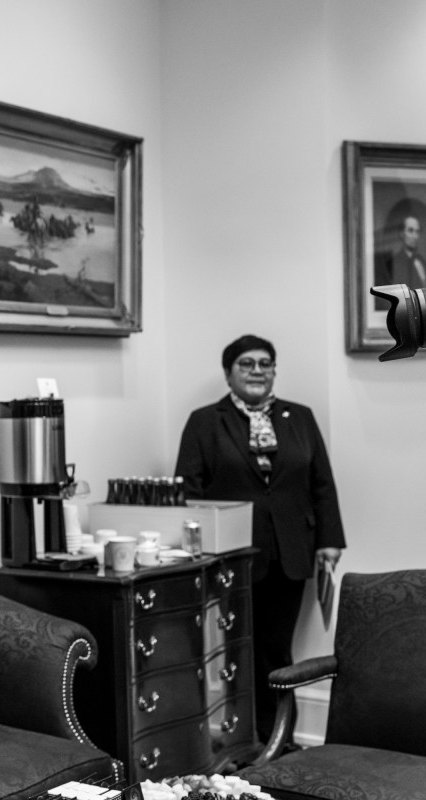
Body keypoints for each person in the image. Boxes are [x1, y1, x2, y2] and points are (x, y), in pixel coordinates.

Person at [174, 334, 345, 740]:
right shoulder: (205, 422)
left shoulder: (299, 417)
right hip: (232, 557)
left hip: (291, 553)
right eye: (246, 363)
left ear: (273, 371)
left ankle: (278, 740)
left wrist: (330, 539)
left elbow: (321, 483)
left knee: (276, 649)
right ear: (228, 373)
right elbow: (187, 490)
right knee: (237, 649)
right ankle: (241, 738)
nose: (257, 371)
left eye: (265, 363)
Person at [375, 214, 426, 288]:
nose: (415, 236)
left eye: (417, 231)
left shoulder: (421, 261)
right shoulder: (392, 263)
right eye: (410, 231)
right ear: (402, 233)